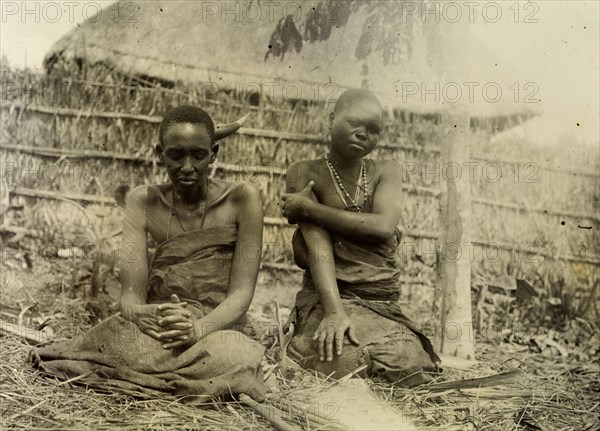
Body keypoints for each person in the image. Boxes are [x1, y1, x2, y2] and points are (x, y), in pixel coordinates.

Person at [30, 106, 266, 402]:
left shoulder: (243, 198)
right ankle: (176, 380)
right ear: (160, 153)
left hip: (215, 326)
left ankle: (150, 376)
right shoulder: (142, 200)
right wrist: (141, 314)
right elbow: (131, 297)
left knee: (237, 356)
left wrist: (197, 329)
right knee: (108, 340)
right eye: (176, 155)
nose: (188, 166)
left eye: (199, 155)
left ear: (214, 153)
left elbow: (241, 295)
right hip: (163, 326)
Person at [281, 89, 440, 385]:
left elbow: (382, 227)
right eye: (355, 122)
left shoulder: (385, 172)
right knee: (345, 362)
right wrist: (333, 313)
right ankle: (303, 340)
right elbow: (318, 248)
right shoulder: (303, 172)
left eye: (373, 129)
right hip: (328, 298)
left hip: (378, 303)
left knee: (411, 366)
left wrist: (309, 208)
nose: (363, 133)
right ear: (332, 119)